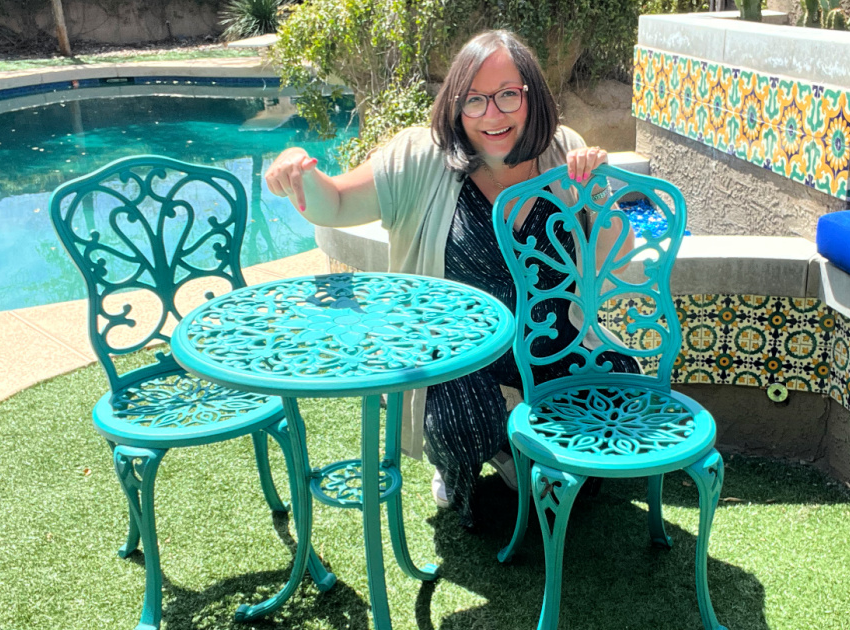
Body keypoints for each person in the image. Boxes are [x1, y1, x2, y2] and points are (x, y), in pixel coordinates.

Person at [265, 29, 638, 528]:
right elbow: (333, 202)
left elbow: (618, 253)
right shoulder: (421, 158)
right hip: (461, 354)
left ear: (532, 96)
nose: (492, 114)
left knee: (621, 387)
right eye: (474, 100)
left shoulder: (562, 151)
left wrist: (597, 195)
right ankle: (484, 455)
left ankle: (534, 442)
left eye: (508, 94)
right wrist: (298, 172)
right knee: (464, 432)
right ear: (456, 106)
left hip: (553, 344)